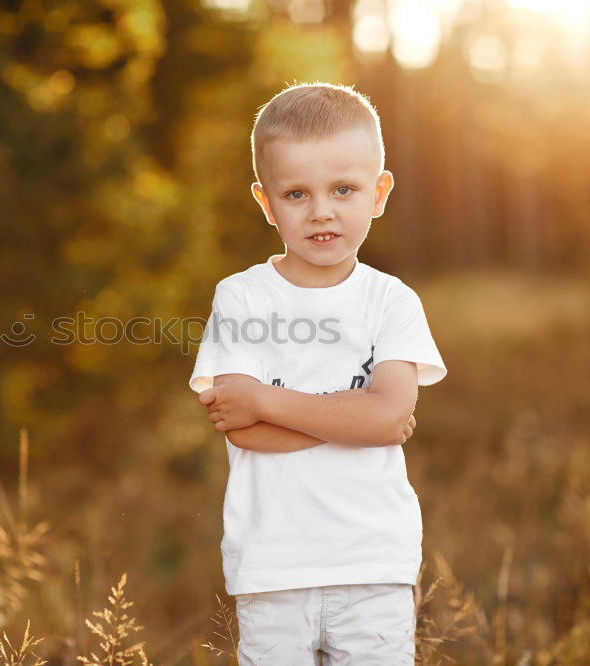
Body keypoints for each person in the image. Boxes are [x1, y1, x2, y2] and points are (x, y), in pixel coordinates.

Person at [188, 82, 447, 665]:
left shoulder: (391, 301)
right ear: (265, 202)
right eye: (297, 193)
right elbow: (242, 427)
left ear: (379, 193)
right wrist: (357, 418)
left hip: (374, 562)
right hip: (271, 565)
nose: (322, 210)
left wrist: (267, 398)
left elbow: (386, 417)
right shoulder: (243, 298)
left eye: (344, 189)